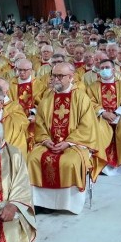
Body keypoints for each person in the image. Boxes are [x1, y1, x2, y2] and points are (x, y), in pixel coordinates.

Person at [28, 63, 106, 214]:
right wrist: (45, 140)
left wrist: (68, 142)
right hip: (49, 142)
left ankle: (67, 204)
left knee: (69, 161)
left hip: (75, 144)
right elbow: (40, 121)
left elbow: (87, 126)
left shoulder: (81, 97)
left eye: (60, 76)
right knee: (33, 158)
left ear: (71, 77)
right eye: (54, 75)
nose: (56, 79)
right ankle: (40, 202)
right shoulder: (48, 96)